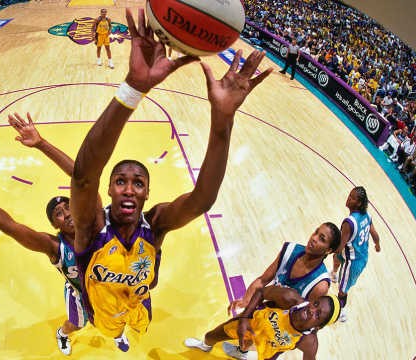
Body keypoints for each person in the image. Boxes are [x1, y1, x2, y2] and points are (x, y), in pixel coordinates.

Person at [69, 8, 271, 351]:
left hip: (137, 303)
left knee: (136, 322)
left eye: (138, 182)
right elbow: (82, 177)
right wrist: (133, 89)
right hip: (100, 309)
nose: (129, 188)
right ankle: (112, 333)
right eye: (120, 181)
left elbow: (202, 200)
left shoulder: (156, 223)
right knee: (104, 329)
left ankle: (124, 330)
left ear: (148, 193)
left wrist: (222, 120)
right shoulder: (92, 225)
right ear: (109, 189)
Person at [0, 112, 93, 356]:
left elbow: (81, 178)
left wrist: (42, 144)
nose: (67, 213)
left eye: (67, 207)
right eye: (59, 214)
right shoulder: (54, 246)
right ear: (56, 226)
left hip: (110, 287)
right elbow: (9, 226)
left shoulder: (96, 224)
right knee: (76, 324)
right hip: (80, 294)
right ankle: (62, 334)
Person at [184, 287, 341, 360]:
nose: (312, 310)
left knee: (249, 352)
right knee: (210, 336)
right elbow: (260, 292)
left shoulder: (309, 342)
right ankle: (205, 346)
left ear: (318, 326)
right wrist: (245, 317)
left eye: (318, 315)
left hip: (264, 352)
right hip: (250, 325)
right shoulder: (289, 298)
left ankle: (242, 353)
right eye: (315, 304)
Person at [227, 223, 341, 312]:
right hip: (266, 305)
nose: (314, 238)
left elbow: (307, 317)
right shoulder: (290, 250)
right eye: (316, 232)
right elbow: (263, 280)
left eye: (322, 239)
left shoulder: (320, 285)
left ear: (329, 250)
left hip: (284, 327)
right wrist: (246, 301)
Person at [330, 187, 380, 322]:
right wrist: (377, 245)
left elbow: (339, 248)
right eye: (349, 195)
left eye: (352, 198)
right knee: (337, 258)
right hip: (361, 254)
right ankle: (333, 274)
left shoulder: (349, 223)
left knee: (343, 288)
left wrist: (325, 250)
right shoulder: (367, 216)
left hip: (353, 262)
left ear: (358, 203)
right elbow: (374, 234)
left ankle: (342, 311)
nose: (348, 199)